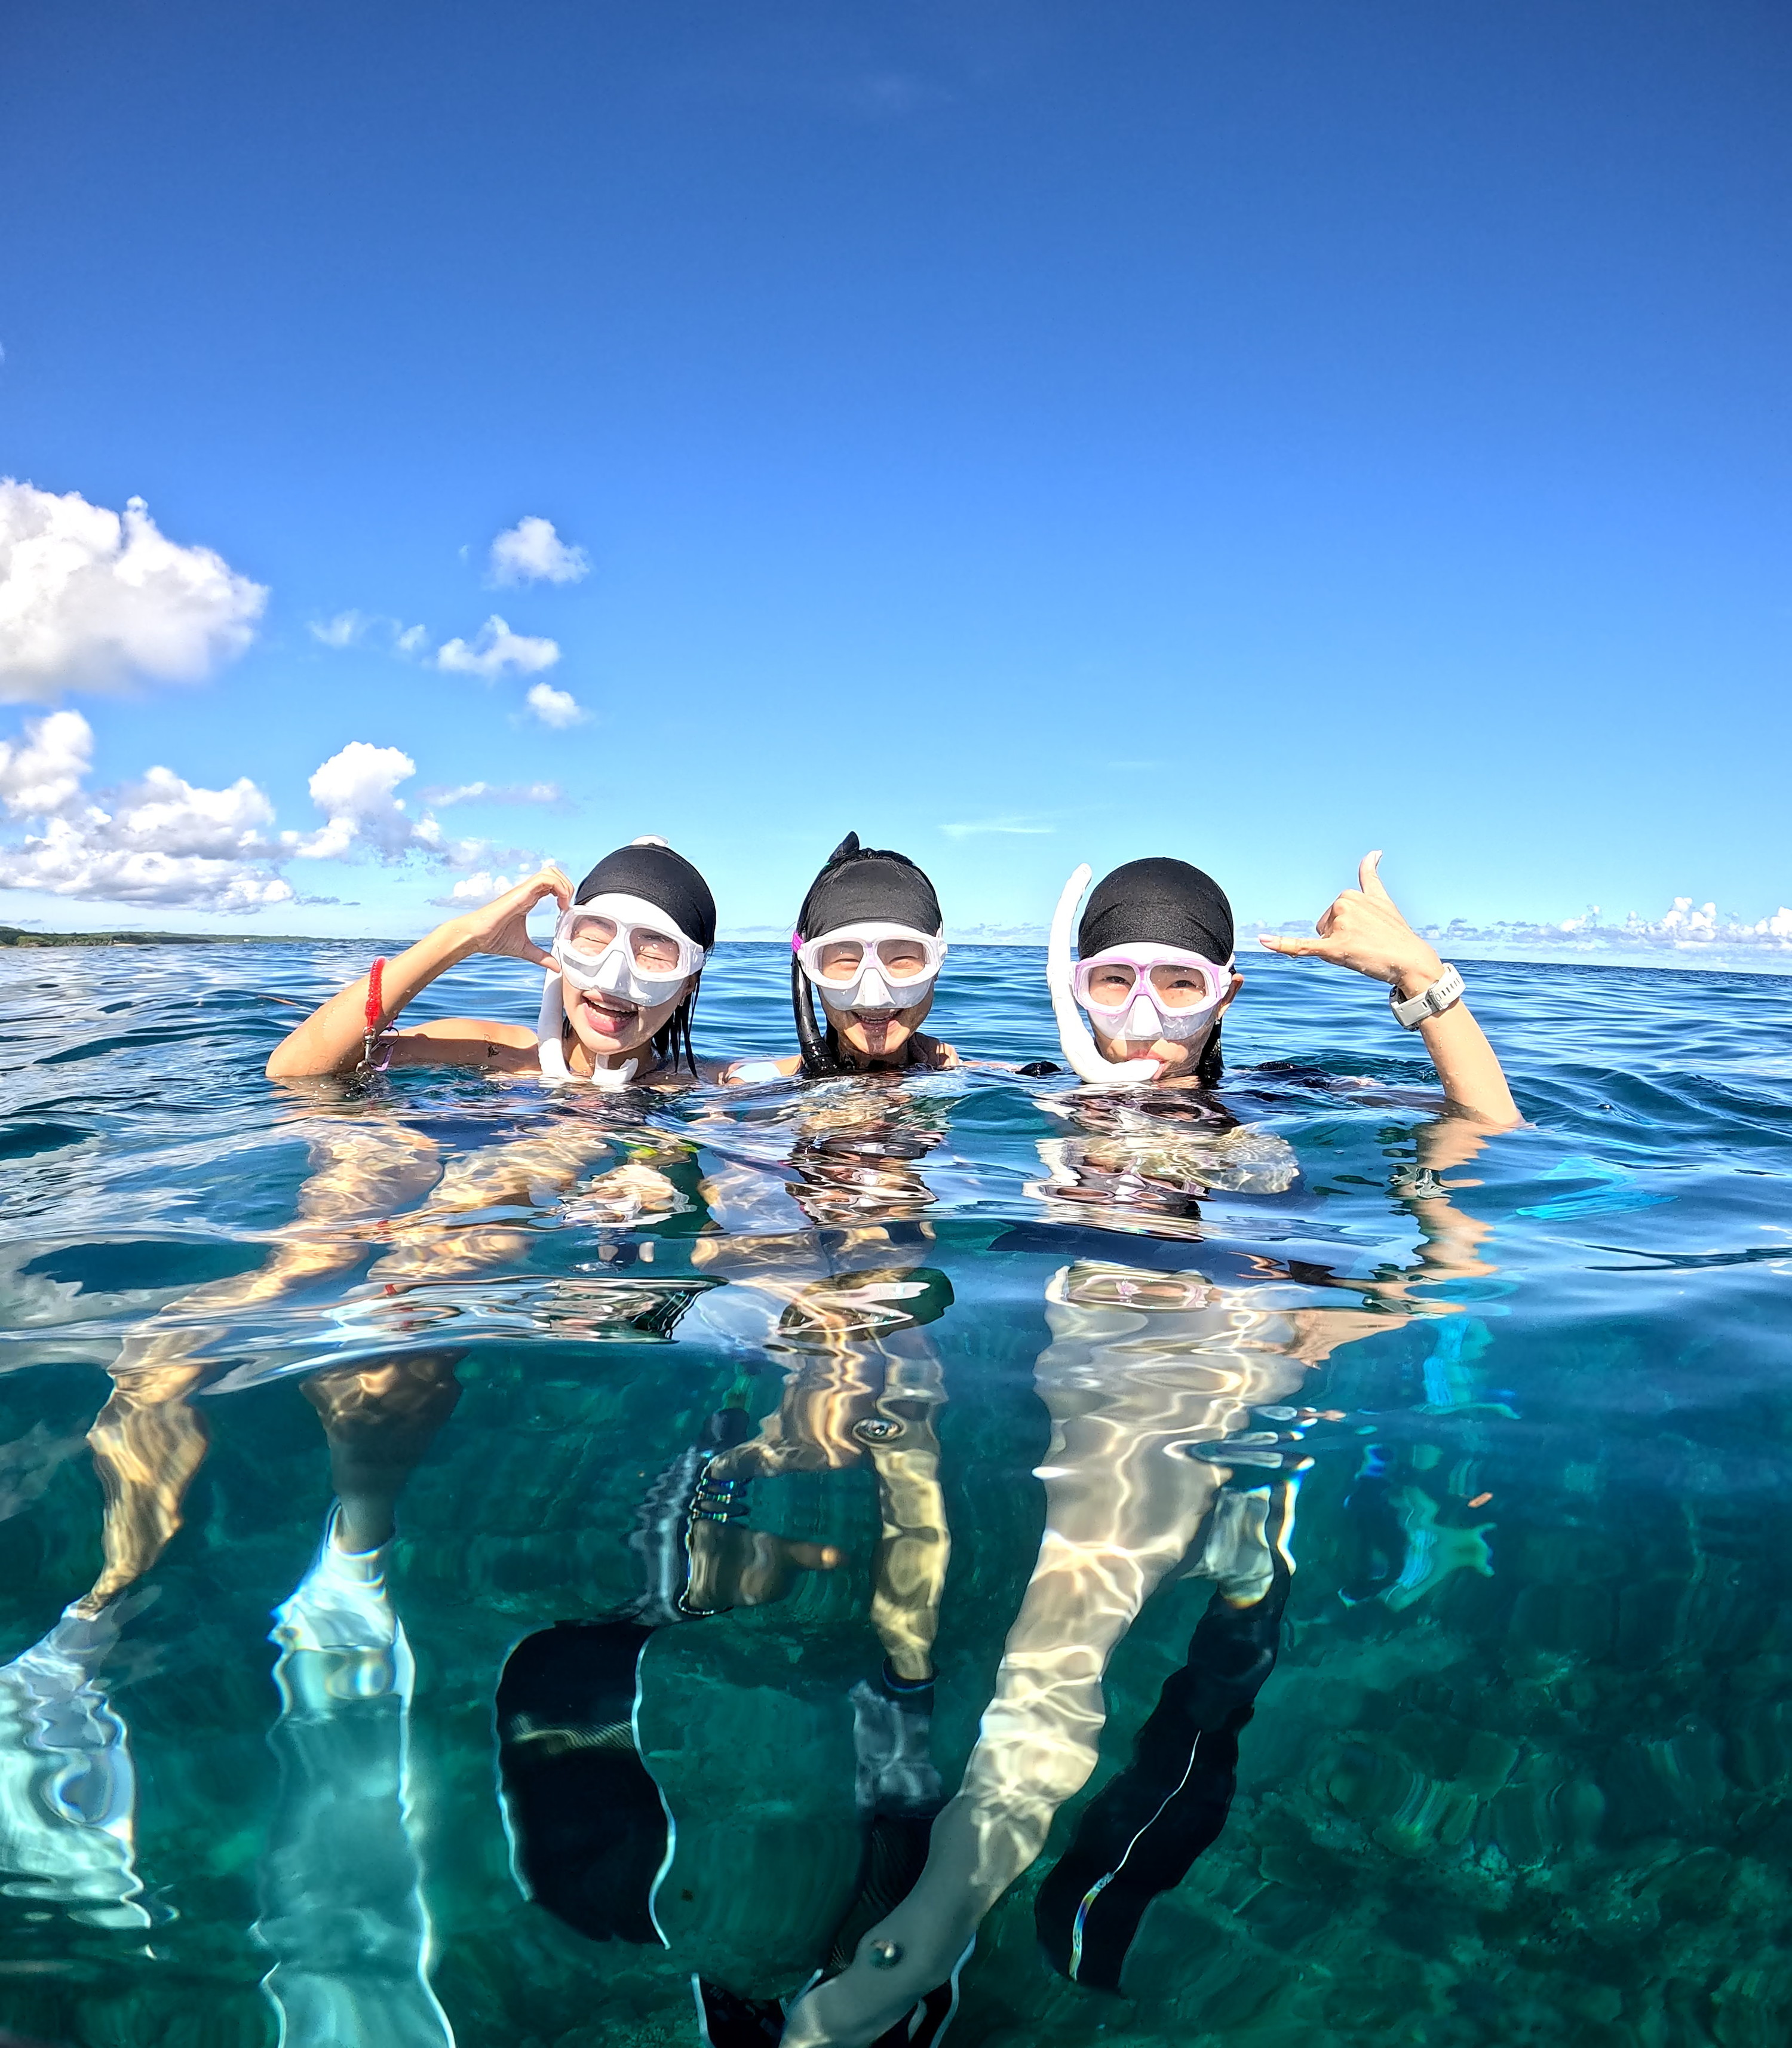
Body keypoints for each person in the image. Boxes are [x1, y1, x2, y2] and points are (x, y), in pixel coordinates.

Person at [1047, 849, 1519, 1127]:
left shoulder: (1278, 1092)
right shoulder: (1030, 1083)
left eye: (1182, 984)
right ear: (1076, 990)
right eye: (1114, 980)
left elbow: (1489, 1124)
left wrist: (1422, 978)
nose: (1144, 1022)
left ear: (1223, 998)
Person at [266, 837, 722, 1089]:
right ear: (562, 941)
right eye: (593, 939)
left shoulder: (713, 1086)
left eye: (654, 952)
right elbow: (293, 1069)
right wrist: (462, 937)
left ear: (689, 980)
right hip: (463, 1179)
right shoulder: (501, 1052)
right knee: (369, 1156)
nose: (614, 976)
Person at [727, 835, 957, 1083]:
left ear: (936, 964)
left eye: (901, 959)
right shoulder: (756, 1087)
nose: (875, 998)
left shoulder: (972, 1078)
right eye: (846, 961)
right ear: (809, 969)